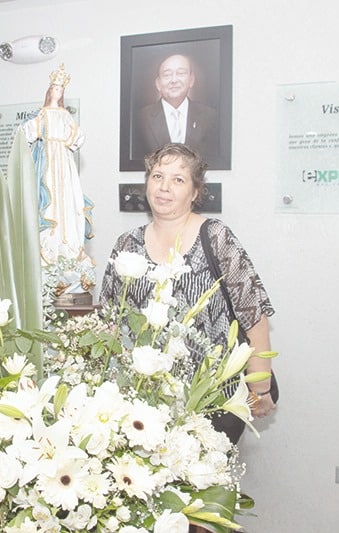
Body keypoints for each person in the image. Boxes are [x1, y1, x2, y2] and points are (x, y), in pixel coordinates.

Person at [99, 143, 276, 444]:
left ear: (195, 192)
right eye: (157, 176)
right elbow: (109, 320)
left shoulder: (216, 237)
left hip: (212, 400)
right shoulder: (127, 244)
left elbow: (253, 314)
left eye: (178, 180)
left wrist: (260, 388)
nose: (164, 187)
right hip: (144, 401)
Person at [20, 63, 94, 273]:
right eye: (54, 89)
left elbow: (77, 135)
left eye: (60, 90)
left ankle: (68, 245)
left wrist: (68, 144)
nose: (57, 92)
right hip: (48, 161)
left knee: (68, 200)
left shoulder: (65, 115)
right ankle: (49, 246)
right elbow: (28, 132)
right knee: (49, 197)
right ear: (49, 91)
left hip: (63, 160)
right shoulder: (42, 114)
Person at [133, 54, 219, 162]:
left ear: (191, 80)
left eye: (180, 73)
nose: (174, 80)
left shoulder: (210, 116)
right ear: (158, 84)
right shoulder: (141, 119)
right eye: (167, 74)